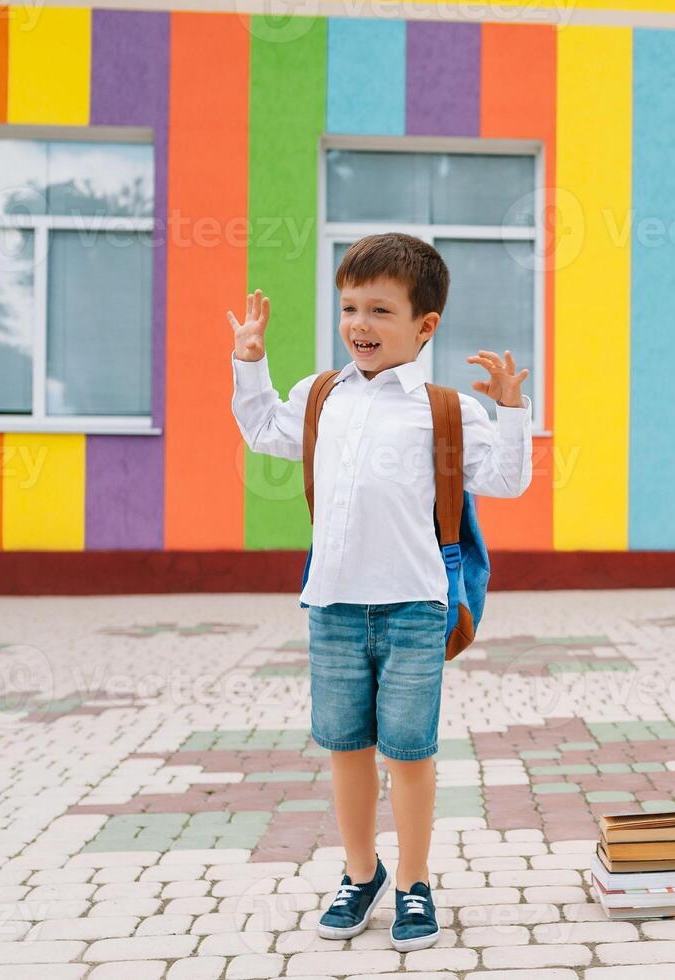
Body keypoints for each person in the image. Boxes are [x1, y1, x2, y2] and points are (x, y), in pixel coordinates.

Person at [226, 232, 533, 951]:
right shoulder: (320, 395)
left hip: (414, 606)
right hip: (331, 601)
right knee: (345, 745)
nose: (358, 325)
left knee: (409, 751)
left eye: (379, 311)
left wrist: (513, 412)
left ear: (424, 326)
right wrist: (250, 363)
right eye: (349, 308)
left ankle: (415, 884)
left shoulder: (446, 410)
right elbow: (265, 429)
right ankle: (360, 873)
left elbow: (508, 481)